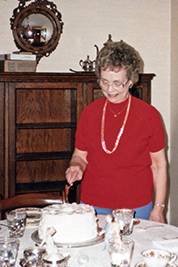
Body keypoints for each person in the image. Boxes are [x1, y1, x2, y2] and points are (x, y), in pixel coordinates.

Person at [66, 40, 167, 223]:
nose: (110, 89)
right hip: (93, 203)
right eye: (104, 82)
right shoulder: (90, 113)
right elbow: (80, 155)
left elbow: (159, 165)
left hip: (137, 206)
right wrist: (76, 166)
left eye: (117, 83)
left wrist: (158, 209)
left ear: (130, 81)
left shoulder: (149, 115)